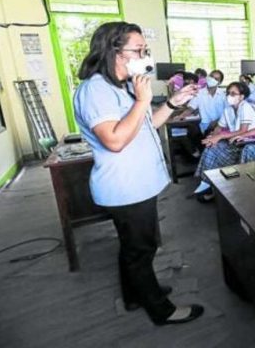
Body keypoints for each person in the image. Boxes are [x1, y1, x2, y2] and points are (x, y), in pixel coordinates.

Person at [73, 21, 203, 325]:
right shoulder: (95, 90)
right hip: (125, 187)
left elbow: (146, 125)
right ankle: (161, 310)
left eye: (145, 49)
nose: (144, 55)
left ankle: (135, 295)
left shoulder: (122, 87)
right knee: (141, 250)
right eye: (138, 49)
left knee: (134, 248)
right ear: (114, 51)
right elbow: (115, 140)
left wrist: (171, 103)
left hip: (138, 185)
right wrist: (143, 99)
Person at [193, 81, 255, 199]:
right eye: (228, 93)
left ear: (242, 96)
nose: (230, 96)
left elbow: (243, 130)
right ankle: (208, 182)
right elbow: (219, 126)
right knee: (211, 147)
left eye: (233, 94)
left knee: (217, 150)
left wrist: (220, 137)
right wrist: (213, 136)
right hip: (234, 141)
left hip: (247, 143)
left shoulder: (245, 107)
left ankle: (211, 184)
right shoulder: (228, 109)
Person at [176, 69, 226, 134]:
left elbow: (227, 112)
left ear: (219, 83)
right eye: (211, 77)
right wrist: (180, 117)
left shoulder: (223, 94)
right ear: (208, 77)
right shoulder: (199, 93)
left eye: (216, 79)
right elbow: (190, 109)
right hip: (205, 126)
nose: (212, 79)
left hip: (220, 125)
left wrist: (217, 123)